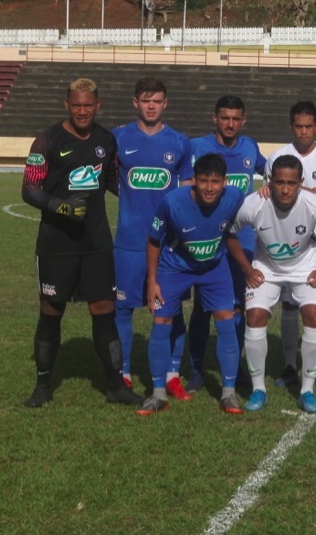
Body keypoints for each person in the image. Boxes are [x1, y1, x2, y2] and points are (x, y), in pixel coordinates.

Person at [21, 78, 140, 408]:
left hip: (96, 243)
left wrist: (147, 194)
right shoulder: (46, 140)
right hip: (56, 244)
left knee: (104, 310)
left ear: (98, 105)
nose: (82, 111)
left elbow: (115, 182)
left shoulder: (106, 140)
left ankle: (115, 386)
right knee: (51, 310)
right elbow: (29, 189)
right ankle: (43, 385)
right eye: (76, 105)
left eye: (88, 105)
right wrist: (61, 206)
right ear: (66, 104)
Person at [227, 155, 316, 415]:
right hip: (266, 268)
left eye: (291, 183)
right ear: (270, 181)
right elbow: (230, 233)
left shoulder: (315, 204)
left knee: (314, 314)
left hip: (305, 268)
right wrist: (247, 269)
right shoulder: (254, 204)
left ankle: (306, 391)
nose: (285, 189)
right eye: (279, 182)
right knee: (254, 316)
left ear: (301, 182)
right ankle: (259, 390)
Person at [136, 153, 246, 416]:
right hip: (174, 268)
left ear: (225, 182)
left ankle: (228, 394)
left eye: (215, 182)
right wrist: (152, 281)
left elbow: (256, 209)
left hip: (214, 268)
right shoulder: (172, 202)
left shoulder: (235, 197)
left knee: (226, 319)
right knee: (161, 321)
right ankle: (158, 394)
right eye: (203, 180)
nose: (209, 187)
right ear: (194, 180)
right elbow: (153, 240)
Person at [111, 78, 194, 398]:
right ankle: (123, 372)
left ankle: (172, 374)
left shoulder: (180, 142)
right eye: (146, 101)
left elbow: (187, 191)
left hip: (168, 245)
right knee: (122, 309)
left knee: (172, 311)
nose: (151, 106)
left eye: (157, 101)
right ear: (135, 102)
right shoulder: (118, 138)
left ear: (165, 104)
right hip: (129, 242)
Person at [186, 94, 266, 392]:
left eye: (235, 119)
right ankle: (196, 368)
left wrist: (269, 185)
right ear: (214, 119)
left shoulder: (250, 147)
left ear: (243, 121)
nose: (230, 124)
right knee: (202, 307)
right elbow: (183, 181)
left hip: (242, 239)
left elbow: (270, 171)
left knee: (239, 306)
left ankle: (235, 367)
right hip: (207, 238)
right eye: (225, 118)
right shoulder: (197, 146)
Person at [269, 101, 316, 391]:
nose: (303, 132)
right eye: (298, 126)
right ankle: (290, 365)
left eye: (308, 126)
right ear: (291, 127)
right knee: (289, 305)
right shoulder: (277, 157)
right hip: (288, 247)